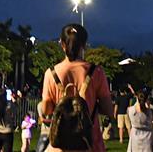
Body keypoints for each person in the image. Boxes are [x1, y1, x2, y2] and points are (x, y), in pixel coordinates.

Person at [40, 24, 114, 152]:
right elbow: (108, 109)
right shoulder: (96, 72)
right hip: (89, 144)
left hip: (61, 145)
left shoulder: (51, 73)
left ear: (62, 44)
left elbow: (47, 110)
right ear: (84, 45)